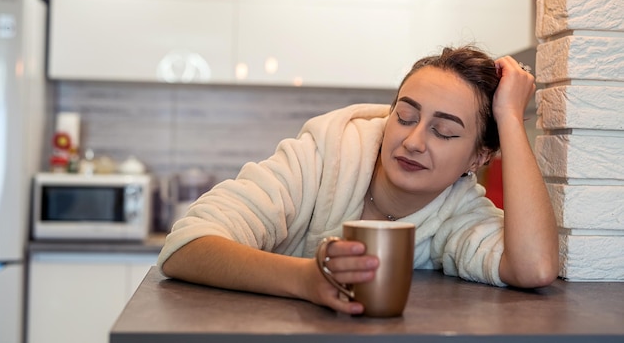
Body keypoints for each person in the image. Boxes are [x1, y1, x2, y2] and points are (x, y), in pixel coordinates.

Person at [158, 45, 559, 315]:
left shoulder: (458, 216)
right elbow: (186, 245)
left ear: (479, 156)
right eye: (405, 117)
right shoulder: (321, 158)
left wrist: (509, 117)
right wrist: (305, 279)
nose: (413, 141)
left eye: (444, 132)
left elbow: (535, 268)